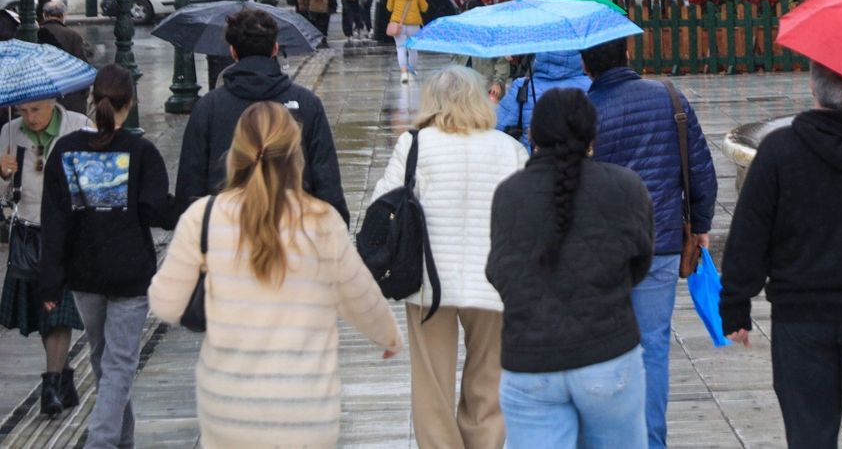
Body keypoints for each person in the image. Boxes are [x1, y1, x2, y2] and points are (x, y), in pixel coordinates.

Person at [150, 102, 402, 447]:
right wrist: (386, 335)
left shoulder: (203, 216)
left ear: (236, 150)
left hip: (229, 407)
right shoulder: (321, 220)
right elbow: (358, 295)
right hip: (305, 407)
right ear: (294, 153)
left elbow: (166, 304)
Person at [720, 61, 842, 448]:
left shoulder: (779, 150)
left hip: (801, 317)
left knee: (809, 427)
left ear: (813, 88)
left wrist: (735, 306)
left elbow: (750, 233)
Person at [487, 89, 654, 448]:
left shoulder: (509, 194)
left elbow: (499, 273)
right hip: (607, 354)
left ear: (532, 135)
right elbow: (640, 263)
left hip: (530, 361)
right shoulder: (626, 186)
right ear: (593, 136)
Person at [372, 66, 528, 449]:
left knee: (431, 384)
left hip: (427, 281)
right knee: (489, 380)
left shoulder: (414, 145)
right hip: (493, 282)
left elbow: (382, 204)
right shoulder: (509, 148)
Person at [580, 37, 718, 449]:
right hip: (659, 243)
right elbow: (700, 169)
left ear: (587, 67)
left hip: (602, 250)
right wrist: (700, 223)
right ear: (627, 53)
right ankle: (650, 440)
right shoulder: (670, 98)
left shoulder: (585, 112)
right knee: (653, 345)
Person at [39, 65, 173, 448]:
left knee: (105, 362)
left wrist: (51, 279)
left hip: (84, 276)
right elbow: (155, 210)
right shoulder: (140, 150)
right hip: (130, 274)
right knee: (117, 365)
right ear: (130, 104)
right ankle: (102, 441)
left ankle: (120, 441)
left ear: (92, 100)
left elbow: (55, 220)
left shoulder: (64, 150)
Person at [174, 8, 349, 223]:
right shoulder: (306, 103)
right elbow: (326, 177)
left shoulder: (208, 107)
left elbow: (190, 183)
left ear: (233, 52)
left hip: (225, 230)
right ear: (275, 48)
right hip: (294, 229)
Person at [0, 98, 91, 416]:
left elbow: (96, 183)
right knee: (44, 315)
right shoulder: (10, 133)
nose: (30, 117)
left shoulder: (79, 127)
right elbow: (4, 197)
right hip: (29, 234)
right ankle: (63, 377)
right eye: (23, 111)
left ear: (51, 101)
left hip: (66, 235)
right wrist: (2, 174)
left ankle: (50, 385)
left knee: (58, 313)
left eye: (36, 110)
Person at [495, 50, 591, 151]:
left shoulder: (523, 86)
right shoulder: (592, 86)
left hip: (532, 159)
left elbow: (498, 128)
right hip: (580, 160)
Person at [450, 0, 511, 99]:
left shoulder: (491, 33)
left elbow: (502, 61)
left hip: (487, 86)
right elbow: (455, 59)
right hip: (463, 85)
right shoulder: (461, 34)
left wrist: (498, 82)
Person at [36, 1, 91, 113]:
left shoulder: (36, 33)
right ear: (63, 16)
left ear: (44, 15)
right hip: (70, 98)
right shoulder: (73, 36)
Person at [386, 0, 428, 84]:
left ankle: (403, 73)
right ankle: (411, 71)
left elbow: (389, 8)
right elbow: (424, 8)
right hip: (414, 25)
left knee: (401, 48)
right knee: (412, 49)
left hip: (398, 24)